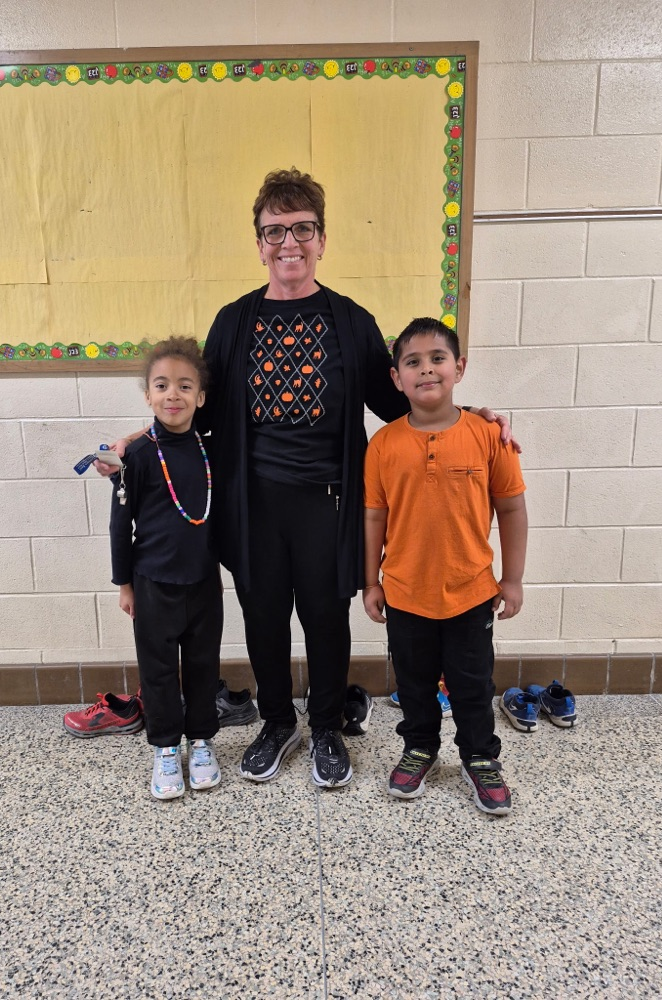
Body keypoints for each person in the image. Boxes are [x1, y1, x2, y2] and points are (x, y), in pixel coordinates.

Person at [97, 168, 516, 789]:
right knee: (263, 620)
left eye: (301, 229)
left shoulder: (349, 320)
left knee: (325, 620)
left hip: (329, 505)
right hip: (252, 506)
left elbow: (400, 400)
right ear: (259, 241)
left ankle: (324, 727)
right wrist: (139, 438)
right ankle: (275, 721)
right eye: (274, 231)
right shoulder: (234, 322)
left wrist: (470, 415)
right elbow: (194, 409)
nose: (288, 242)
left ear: (322, 238)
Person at [363, 317, 527, 815]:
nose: (426, 369)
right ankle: (419, 747)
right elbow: (374, 516)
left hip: (471, 591)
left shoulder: (487, 436)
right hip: (406, 593)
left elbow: (513, 509)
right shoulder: (383, 445)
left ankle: (479, 757)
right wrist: (370, 581)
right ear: (397, 379)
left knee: (473, 684)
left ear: (459, 367)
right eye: (412, 362)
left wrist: (513, 578)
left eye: (437, 359)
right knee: (413, 684)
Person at [110, 337, 223, 800]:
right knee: (158, 670)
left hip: (203, 581)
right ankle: (163, 748)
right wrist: (124, 584)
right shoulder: (135, 456)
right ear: (148, 396)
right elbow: (120, 522)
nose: (172, 395)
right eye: (162, 386)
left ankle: (201, 742)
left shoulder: (210, 449)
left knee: (201, 665)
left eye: (184, 386)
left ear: (200, 396)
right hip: (152, 583)